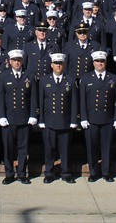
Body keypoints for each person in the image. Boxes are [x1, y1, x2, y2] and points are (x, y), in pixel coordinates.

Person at [79, 50, 116, 182]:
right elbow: (82, 100)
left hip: (107, 119)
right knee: (92, 147)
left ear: (105, 62)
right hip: (91, 120)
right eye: (97, 61)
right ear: (93, 63)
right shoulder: (86, 78)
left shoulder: (113, 78)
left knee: (106, 147)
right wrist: (83, 118)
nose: (100, 63)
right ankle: (93, 172)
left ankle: (106, 172)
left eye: (102, 61)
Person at [0, 49, 37, 185]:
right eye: (14, 60)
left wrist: (32, 115)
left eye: (19, 60)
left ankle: (21, 173)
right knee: (8, 148)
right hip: (8, 119)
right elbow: (0, 98)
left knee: (23, 149)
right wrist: (1, 116)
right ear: (9, 61)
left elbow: (33, 98)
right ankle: (9, 174)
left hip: (24, 119)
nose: (17, 62)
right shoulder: (4, 76)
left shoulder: (29, 76)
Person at [38, 52, 78, 183]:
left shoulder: (71, 80)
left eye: (60, 63)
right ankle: (49, 173)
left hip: (65, 121)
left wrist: (73, 120)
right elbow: (41, 101)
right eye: (56, 63)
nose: (58, 65)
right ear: (51, 65)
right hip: (49, 121)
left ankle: (65, 172)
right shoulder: (44, 80)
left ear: (64, 65)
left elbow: (74, 102)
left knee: (65, 149)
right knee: (49, 149)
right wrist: (41, 120)